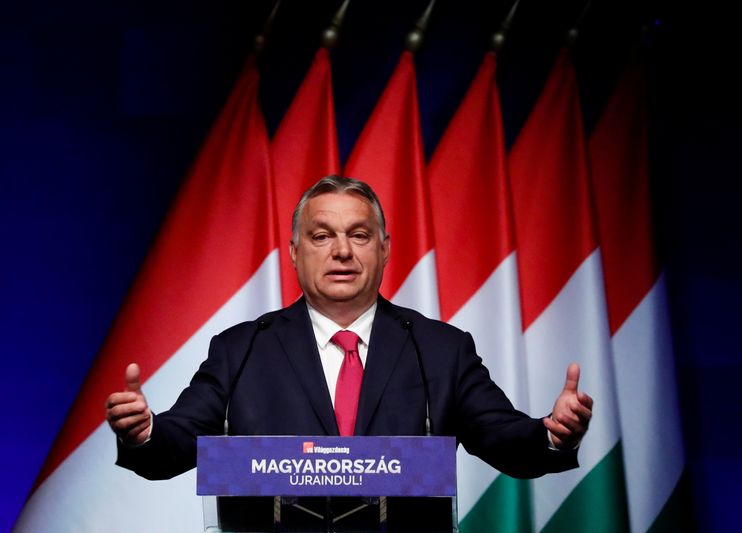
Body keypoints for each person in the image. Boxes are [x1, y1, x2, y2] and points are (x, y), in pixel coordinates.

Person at [106, 175, 593, 494]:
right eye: (322, 236)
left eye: (359, 236)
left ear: (383, 250)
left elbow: (505, 438)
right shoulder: (241, 349)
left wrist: (551, 433)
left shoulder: (440, 350)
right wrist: (144, 432)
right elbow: (174, 445)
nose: (342, 251)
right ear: (295, 252)